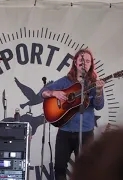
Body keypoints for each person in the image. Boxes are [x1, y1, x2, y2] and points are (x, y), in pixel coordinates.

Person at [39, 48, 105, 180]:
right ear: (75, 62)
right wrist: (54, 93)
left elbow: (99, 106)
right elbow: (43, 92)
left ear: (91, 64)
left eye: (87, 61)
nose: (84, 63)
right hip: (65, 131)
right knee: (59, 168)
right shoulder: (65, 81)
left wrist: (98, 91)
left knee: (86, 171)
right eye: (81, 60)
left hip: (85, 132)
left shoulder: (92, 83)